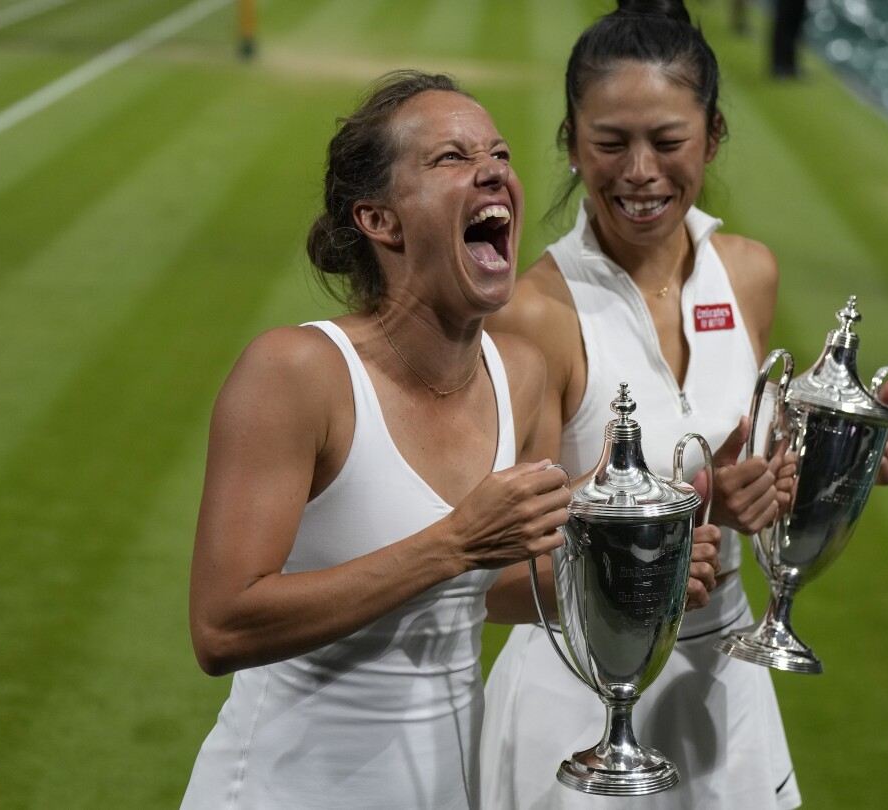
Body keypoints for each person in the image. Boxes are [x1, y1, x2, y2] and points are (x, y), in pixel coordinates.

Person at [480, 2, 888, 808]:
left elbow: (763, 471)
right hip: (574, 714)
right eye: (610, 143)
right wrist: (661, 545)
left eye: (667, 142)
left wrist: (837, 463)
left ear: (712, 137)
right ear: (571, 143)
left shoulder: (748, 272)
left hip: (724, 690)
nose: (639, 171)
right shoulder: (534, 313)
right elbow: (504, 574)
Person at [177, 71, 580, 809]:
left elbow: (499, 592)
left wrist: (643, 545)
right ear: (380, 220)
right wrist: (454, 541)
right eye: (451, 159)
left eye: (498, 152)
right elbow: (221, 625)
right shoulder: (296, 373)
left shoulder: (522, 372)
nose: (493, 169)